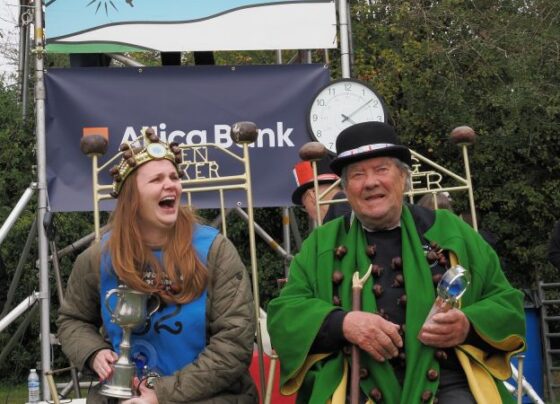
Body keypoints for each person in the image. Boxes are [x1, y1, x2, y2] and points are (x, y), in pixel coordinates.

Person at [267, 121, 525, 403]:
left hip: (447, 385)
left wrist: (467, 325)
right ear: (346, 189)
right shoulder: (322, 243)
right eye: (357, 175)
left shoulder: (451, 232)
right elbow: (284, 314)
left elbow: (506, 303)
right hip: (356, 386)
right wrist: (342, 323)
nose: (370, 182)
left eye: (381, 169)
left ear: (403, 178)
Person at [57, 129, 257, 403]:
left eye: (174, 177)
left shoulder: (215, 250)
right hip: (123, 394)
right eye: (157, 179)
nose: (171, 185)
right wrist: (93, 352)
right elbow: (73, 320)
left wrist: (161, 395)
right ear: (132, 197)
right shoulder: (98, 257)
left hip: (211, 396)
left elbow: (234, 344)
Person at [292, 156, 351, 224]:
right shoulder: (359, 211)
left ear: (312, 195)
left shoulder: (332, 228)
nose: (309, 215)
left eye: (305, 206)